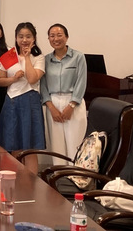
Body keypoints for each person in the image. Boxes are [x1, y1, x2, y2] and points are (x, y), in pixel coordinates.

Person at [0, 22, 45, 174]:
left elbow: (32, 79)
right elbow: (0, 81)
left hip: (30, 102)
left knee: (29, 147)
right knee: (13, 145)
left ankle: (32, 182)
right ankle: (15, 182)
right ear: (16, 38)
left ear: (34, 38)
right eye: (21, 36)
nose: (24, 40)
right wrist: (13, 79)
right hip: (11, 102)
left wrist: (27, 57)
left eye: (28, 36)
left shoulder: (38, 57)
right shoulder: (9, 55)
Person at [41, 23, 87, 163]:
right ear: (48, 39)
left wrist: (71, 105)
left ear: (66, 37)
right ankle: (59, 174)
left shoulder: (78, 57)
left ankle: (75, 174)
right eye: (52, 36)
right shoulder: (46, 60)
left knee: (75, 144)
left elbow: (81, 81)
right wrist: (51, 107)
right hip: (52, 103)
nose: (56, 39)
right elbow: (43, 85)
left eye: (59, 35)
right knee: (57, 147)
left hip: (73, 102)